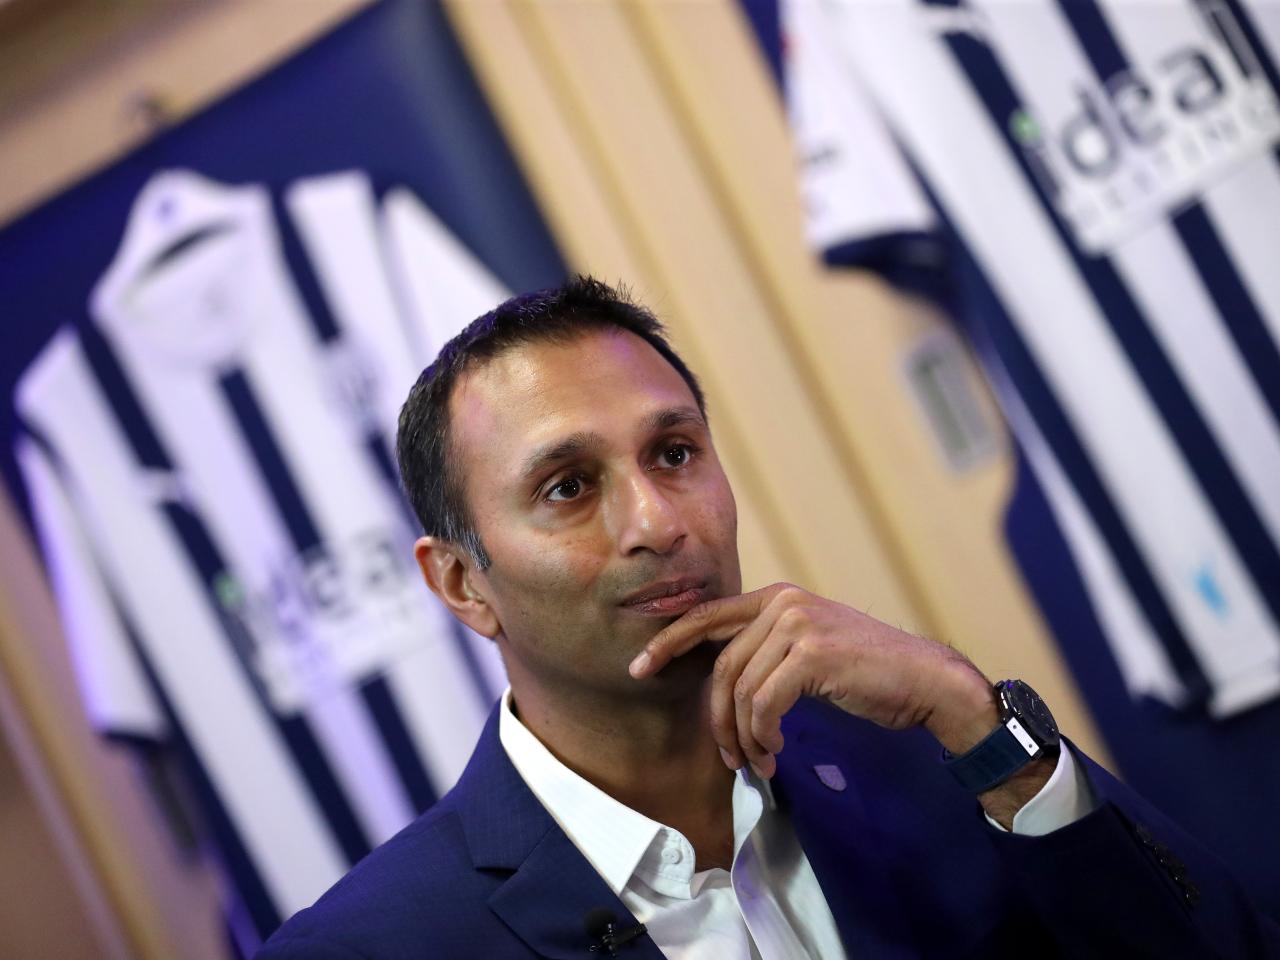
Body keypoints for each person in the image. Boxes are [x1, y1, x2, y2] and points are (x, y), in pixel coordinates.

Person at [259, 277, 1278, 958]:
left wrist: (974, 719)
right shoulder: (375, 942)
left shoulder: (926, 756)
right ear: (461, 585)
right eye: (568, 487)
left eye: (673, 454)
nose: (658, 523)